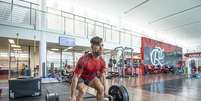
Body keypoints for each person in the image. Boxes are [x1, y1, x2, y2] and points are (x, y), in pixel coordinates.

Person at [70, 36, 106, 101]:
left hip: (91, 77)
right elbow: (75, 77)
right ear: (92, 47)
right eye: (98, 45)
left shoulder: (102, 61)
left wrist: (105, 91)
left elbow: (102, 76)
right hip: (81, 78)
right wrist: (72, 95)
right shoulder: (84, 60)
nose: (101, 48)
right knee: (83, 91)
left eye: (102, 45)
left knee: (101, 88)